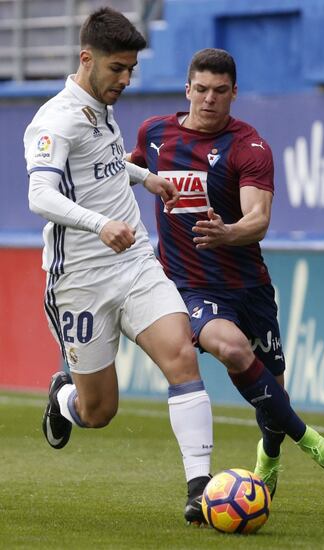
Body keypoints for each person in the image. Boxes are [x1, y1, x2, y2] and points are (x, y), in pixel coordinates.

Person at [128, 48, 324, 508]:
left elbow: (259, 218)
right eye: (201, 90)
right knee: (231, 347)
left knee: (272, 389)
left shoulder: (248, 146)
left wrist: (227, 232)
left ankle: (270, 455)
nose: (208, 99)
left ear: (234, 93)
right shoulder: (155, 134)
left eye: (219, 91)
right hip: (189, 286)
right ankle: (309, 438)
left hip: (248, 285)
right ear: (187, 89)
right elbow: (129, 171)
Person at [23, 8, 213, 525]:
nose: (126, 80)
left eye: (132, 69)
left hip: (133, 263)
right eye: (118, 69)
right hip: (80, 281)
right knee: (99, 412)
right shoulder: (54, 121)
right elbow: (40, 194)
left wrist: (142, 178)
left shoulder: (100, 107)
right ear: (87, 59)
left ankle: (201, 490)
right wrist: (98, 224)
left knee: (182, 356)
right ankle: (63, 396)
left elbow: (101, 165)